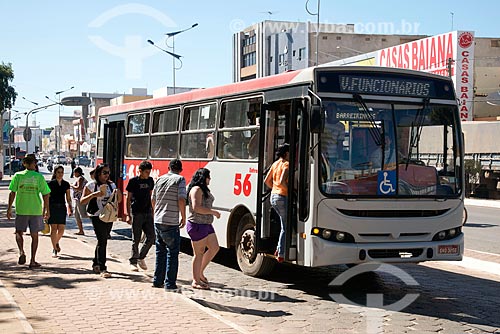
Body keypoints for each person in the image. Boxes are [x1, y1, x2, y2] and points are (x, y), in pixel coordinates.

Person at [7, 155, 51, 269]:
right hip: (35, 210)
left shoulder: (18, 176)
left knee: (18, 232)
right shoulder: (39, 177)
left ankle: (21, 251)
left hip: (22, 209)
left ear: (24, 164)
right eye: (33, 162)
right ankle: (32, 260)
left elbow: (12, 193)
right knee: (34, 235)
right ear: (32, 164)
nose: (34, 164)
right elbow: (46, 194)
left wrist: (9, 208)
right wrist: (46, 210)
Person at [80, 163, 122, 278]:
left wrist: (118, 194)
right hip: (96, 215)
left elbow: (118, 201)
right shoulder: (91, 185)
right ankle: (103, 267)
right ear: (98, 173)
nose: (107, 175)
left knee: (102, 240)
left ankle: (95, 263)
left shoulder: (111, 185)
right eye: (104, 173)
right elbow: (82, 201)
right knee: (102, 239)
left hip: (109, 215)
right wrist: (94, 195)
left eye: (108, 172)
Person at [151, 159, 187, 290]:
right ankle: (170, 284)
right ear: (180, 169)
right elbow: (182, 199)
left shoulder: (160, 179)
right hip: (171, 221)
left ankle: (157, 280)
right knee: (172, 253)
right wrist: (183, 216)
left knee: (160, 251)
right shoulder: (180, 180)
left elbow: (153, 199)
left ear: (168, 167)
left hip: (158, 220)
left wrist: (156, 213)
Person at [186, 168, 220, 289]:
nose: (209, 179)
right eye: (208, 177)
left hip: (206, 224)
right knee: (198, 253)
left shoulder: (203, 189)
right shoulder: (196, 189)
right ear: (203, 178)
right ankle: (195, 280)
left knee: (214, 247)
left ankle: (200, 272)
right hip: (197, 224)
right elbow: (196, 207)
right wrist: (213, 212)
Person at [126, 160, 155, 272]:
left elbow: (151, 196)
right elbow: (128, 198)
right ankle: (133, 261)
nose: (148, 174)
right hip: (136, 212)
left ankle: (141, 257)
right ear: (140, 171)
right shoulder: (133, 181)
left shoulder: (150, 180)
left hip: (147, 212)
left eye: (149, 172)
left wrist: (153, 210)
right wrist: (128, 214)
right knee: (136, 238)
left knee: (151, 237)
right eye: (146, 172)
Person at [264, 143, 290, 263]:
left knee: (282, 224)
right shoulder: (286, 164)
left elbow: (266, 181)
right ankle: (281, 252)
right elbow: (281, 181)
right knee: (285, 226)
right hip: (282, 196)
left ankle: (279, 249)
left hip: (273, 196)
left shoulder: (275, 163)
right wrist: (287, 191)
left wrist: (274, 188)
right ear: (286, 153)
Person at [47, 165, 73, 257]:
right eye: (58, 172)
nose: (60, 174)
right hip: (52, 207)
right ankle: (54, 248)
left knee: (61, 229)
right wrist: (46, 210)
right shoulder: (50, 184)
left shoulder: (66, 184)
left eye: (62, 172)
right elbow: (47, 198)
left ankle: (56, 242)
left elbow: (68, 197)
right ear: (55, 173)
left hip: (62, 207)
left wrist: (70, 206)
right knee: (54, 229)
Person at [321, 103, 345, 178]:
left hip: (333, 158)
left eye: (332, 111)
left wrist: (340, 159)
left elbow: (340, 144)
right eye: (328, 111)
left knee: (331, 176)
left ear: (336, 112)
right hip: (320, 156)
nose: (330, 113)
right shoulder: (322, 123)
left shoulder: (340, 126)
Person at [71, 167, 88, 235]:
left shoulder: (80, 178)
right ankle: (81, 230)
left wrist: (72, 185)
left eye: (74, 172)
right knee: (76, 214)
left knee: (84, 214)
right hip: (77, 199)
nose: (74, 174)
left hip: (80, 199)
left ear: (77, 172)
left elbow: (79, 188)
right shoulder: (79, 178)